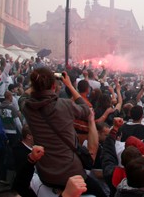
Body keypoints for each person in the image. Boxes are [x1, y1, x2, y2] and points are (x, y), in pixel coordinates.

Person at [20, 67, 102, 195]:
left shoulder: (27, 107)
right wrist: (69, 85)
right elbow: (86, 109)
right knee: (99, 192)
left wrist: (36, 84)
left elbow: (24, 96)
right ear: (54, 86)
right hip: (71, 172)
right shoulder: (65, 105)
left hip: (46, 174)